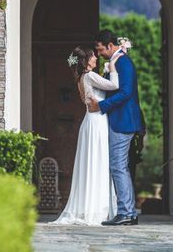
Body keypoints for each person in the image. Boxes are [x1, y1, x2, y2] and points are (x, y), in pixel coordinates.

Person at [51, 46, 123, 226]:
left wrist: (106, 70)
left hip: (89, 121)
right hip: (97, 122)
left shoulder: (81, 78)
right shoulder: (90, 76)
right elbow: (114, 86)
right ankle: (99, 210)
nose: (95, 59)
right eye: (93, 56)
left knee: (91, 162)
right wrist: (113, 64)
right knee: (98, 162)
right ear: (86, 60)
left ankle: (91, 206)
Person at [88, 30, 145, 226]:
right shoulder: (116, 62)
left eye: (101, 49)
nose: (99, 53)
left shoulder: (123, 62)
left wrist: (101, 106)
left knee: (118, 167)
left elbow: (126, 92)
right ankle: (127, 212)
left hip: (123, 121)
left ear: (110, 46)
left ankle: (127, 212)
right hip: (118, 120)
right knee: (120, 167)